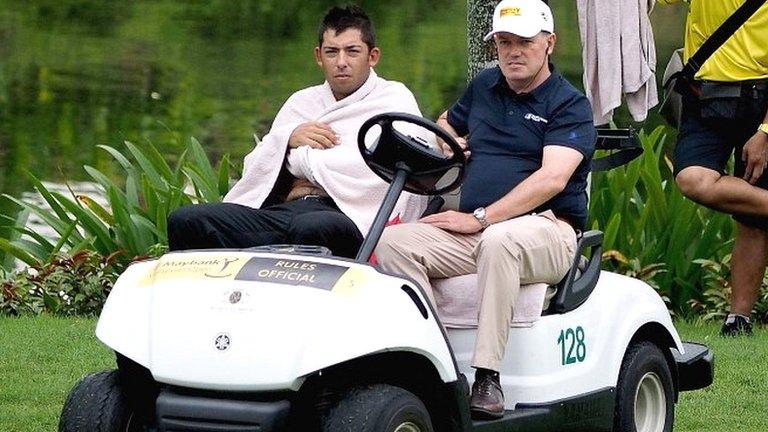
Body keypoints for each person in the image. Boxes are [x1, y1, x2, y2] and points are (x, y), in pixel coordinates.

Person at [374, 0, 596, 419]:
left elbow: (552, 179)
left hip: (547, 232)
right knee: (391, 243)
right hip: (480, 230)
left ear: (550, 43)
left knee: (499, 239)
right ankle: (436, 365)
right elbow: (447, 121)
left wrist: (480, 217)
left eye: (525, 42)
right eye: (504, 42)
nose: (513, 51)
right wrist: (449, 143)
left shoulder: (569, 104)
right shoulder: (484, 86)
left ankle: (487, 378)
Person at [167, 5, 429, 258]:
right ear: (318, 56)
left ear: (372, 56)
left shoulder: (394, 98)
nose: (341, 62)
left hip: (351, 218)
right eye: (331, 52)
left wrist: (304, 161)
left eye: (352, 51)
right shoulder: (301, 102)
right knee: (188, 220)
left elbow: (397, 169)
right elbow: (257, 167)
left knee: (312, 227)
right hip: (289, 211)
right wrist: (287, 139)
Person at [660, 0, 768, 336]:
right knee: (692, 178)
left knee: (752, 217)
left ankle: (738, 320)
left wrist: (766, 132)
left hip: (761, 100)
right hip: (704, 94)